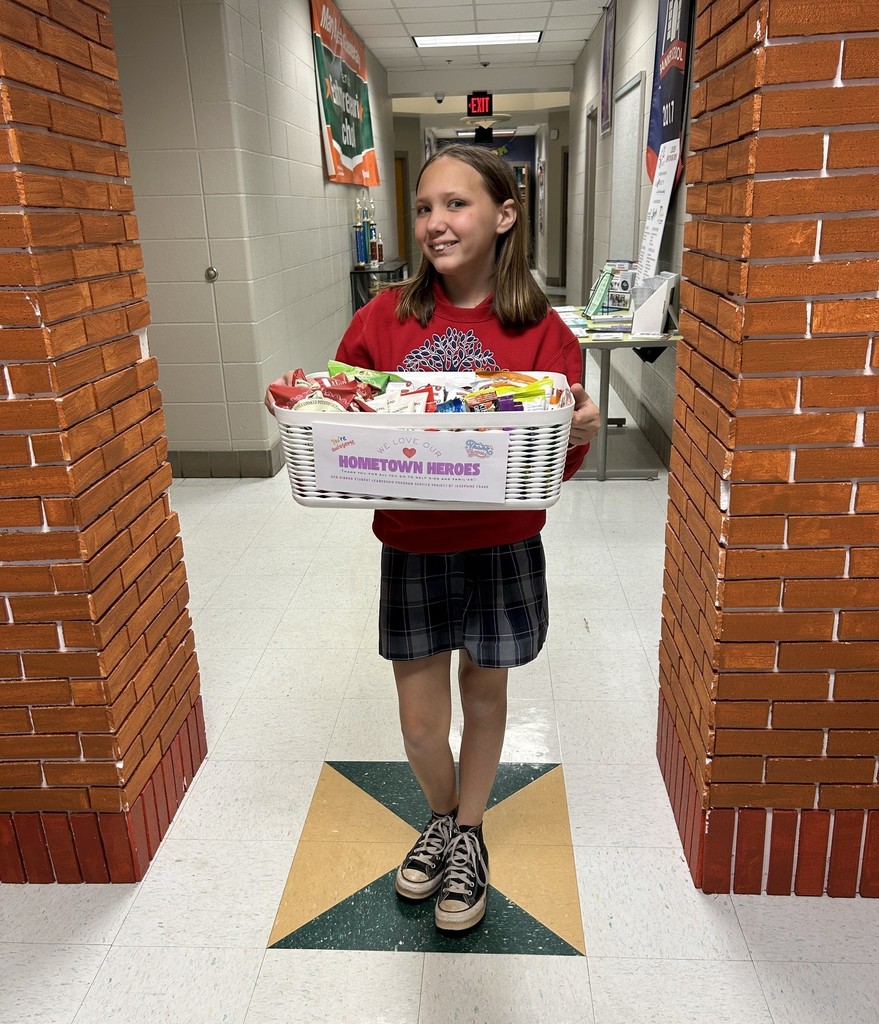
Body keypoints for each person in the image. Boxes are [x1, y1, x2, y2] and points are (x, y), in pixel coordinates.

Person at [267, 144, 600, 932]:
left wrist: (577, 430)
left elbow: (554, 467)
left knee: (484, 701)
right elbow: (345, 413)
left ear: (503, 214)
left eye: (456, 204)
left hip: (502, 542)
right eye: (423, 208)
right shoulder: (383, 319)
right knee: (420, 725)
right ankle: (442, 814)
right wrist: (308, 412)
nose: (435, 223)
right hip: (413, 543)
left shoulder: (544, 332)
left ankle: (470, 834)